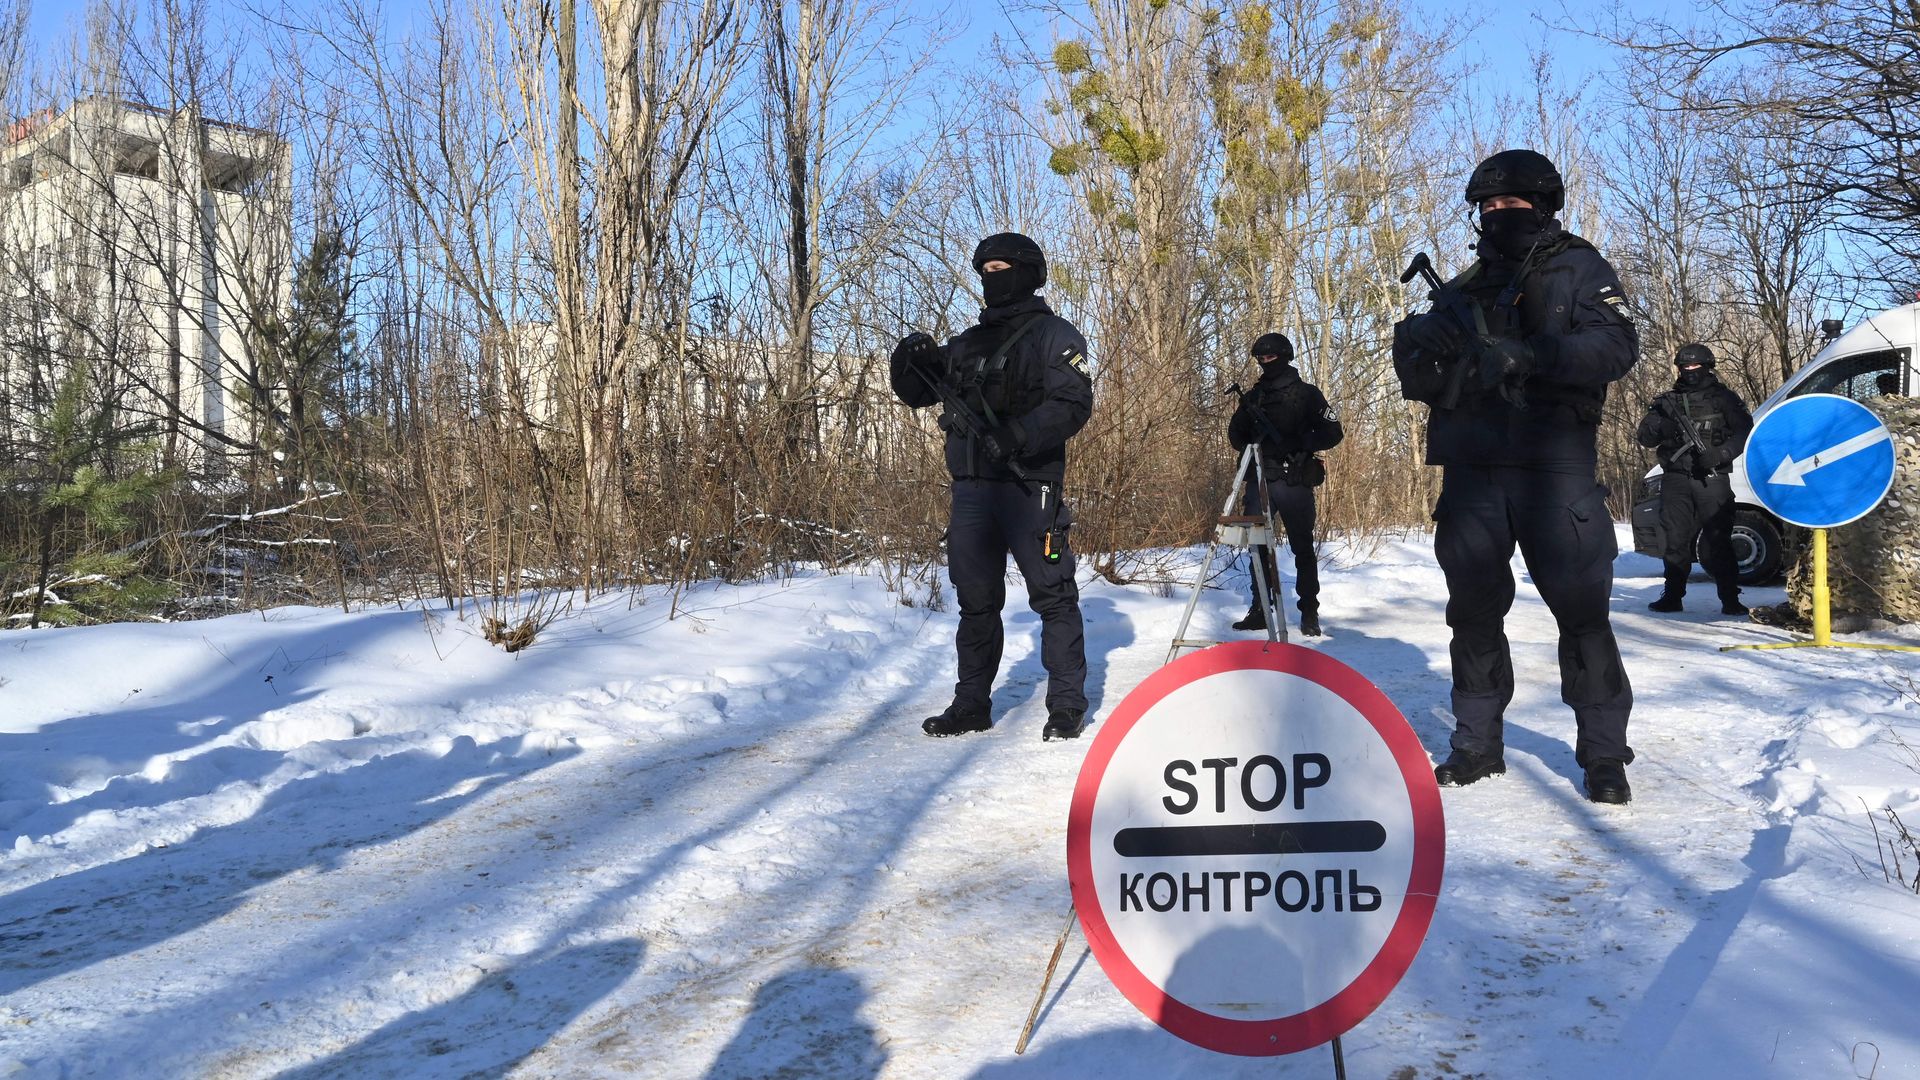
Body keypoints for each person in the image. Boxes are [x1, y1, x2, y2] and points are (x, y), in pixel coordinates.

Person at [1391, 149, 1639, 805]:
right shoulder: (1467, 284)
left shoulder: (1579, 266)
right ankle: (1476, 744)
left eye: (1513, 203)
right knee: (1472, 615)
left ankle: (1604, 756)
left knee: (1583, 616)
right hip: (1472, 470)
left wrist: (1534, 353)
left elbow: (1617, 346)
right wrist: (1417, 349)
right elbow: (1425, 380)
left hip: (1555, 469)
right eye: (1490, 205)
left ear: (1544, 204)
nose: (1500, 213)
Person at [889, 232, 1095, 741]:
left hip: (1029, 488)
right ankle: (971, 705)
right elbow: (917, 392)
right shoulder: (967, 343)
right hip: (973, 492)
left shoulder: (1055, 335)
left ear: (1028, 273)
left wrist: (1018, 434)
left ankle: (1066, 705)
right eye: (984, 270)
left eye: (1000, 268)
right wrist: (907, 361)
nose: (990, 277)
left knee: (1053, 596)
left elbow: (1073, 403)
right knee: (976, 602)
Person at [1226, 332, 1343, 637]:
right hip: (1260, 479)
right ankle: (1260, 609)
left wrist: (1302, 441)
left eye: (1270, 357)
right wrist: (1253, 438)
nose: (1265, 363)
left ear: (1285, 356)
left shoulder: (1308, 395)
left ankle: (1309, 612)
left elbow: (1333, 432)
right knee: (1257, 547)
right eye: (1261, 359)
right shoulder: (1253, 397)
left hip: (1294, 479)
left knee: (1302, 546)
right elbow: (1235, 436)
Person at [1637, 344, 1755, 616]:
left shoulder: (1723, 398)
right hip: (1676, 479)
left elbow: (1745, 432)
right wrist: (1661, 427)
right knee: (1674, 540)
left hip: (1711, 479)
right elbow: (1644, 437)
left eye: (1695, 366)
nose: (1690, 371)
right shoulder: (1667, 402)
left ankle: (1730, 599)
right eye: (1685, 367)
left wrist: (1721, 454)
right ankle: (1673, 596)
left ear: (1708, 367)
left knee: (1719, 540)